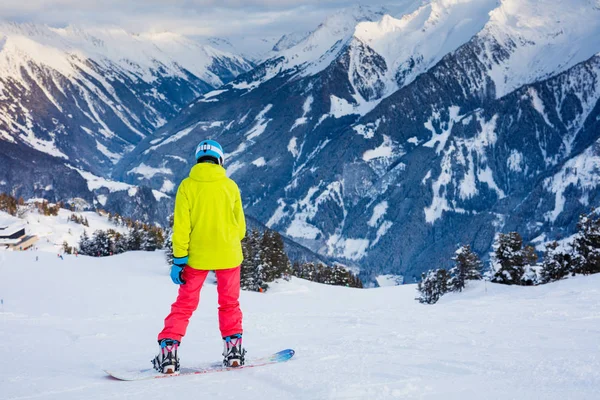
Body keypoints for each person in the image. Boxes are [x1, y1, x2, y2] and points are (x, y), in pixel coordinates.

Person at [152, 139, 247, 375]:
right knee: (229, 303)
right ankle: (233, 350)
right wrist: (226, 240)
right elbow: (241, 228)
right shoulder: (230, 186)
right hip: (229, 255)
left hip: (196, 258)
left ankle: (168, 353)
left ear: (197, 160)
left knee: (185, 304)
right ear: (220, 159)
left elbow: (181, 228)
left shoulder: (187, 186)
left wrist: (179, 260)